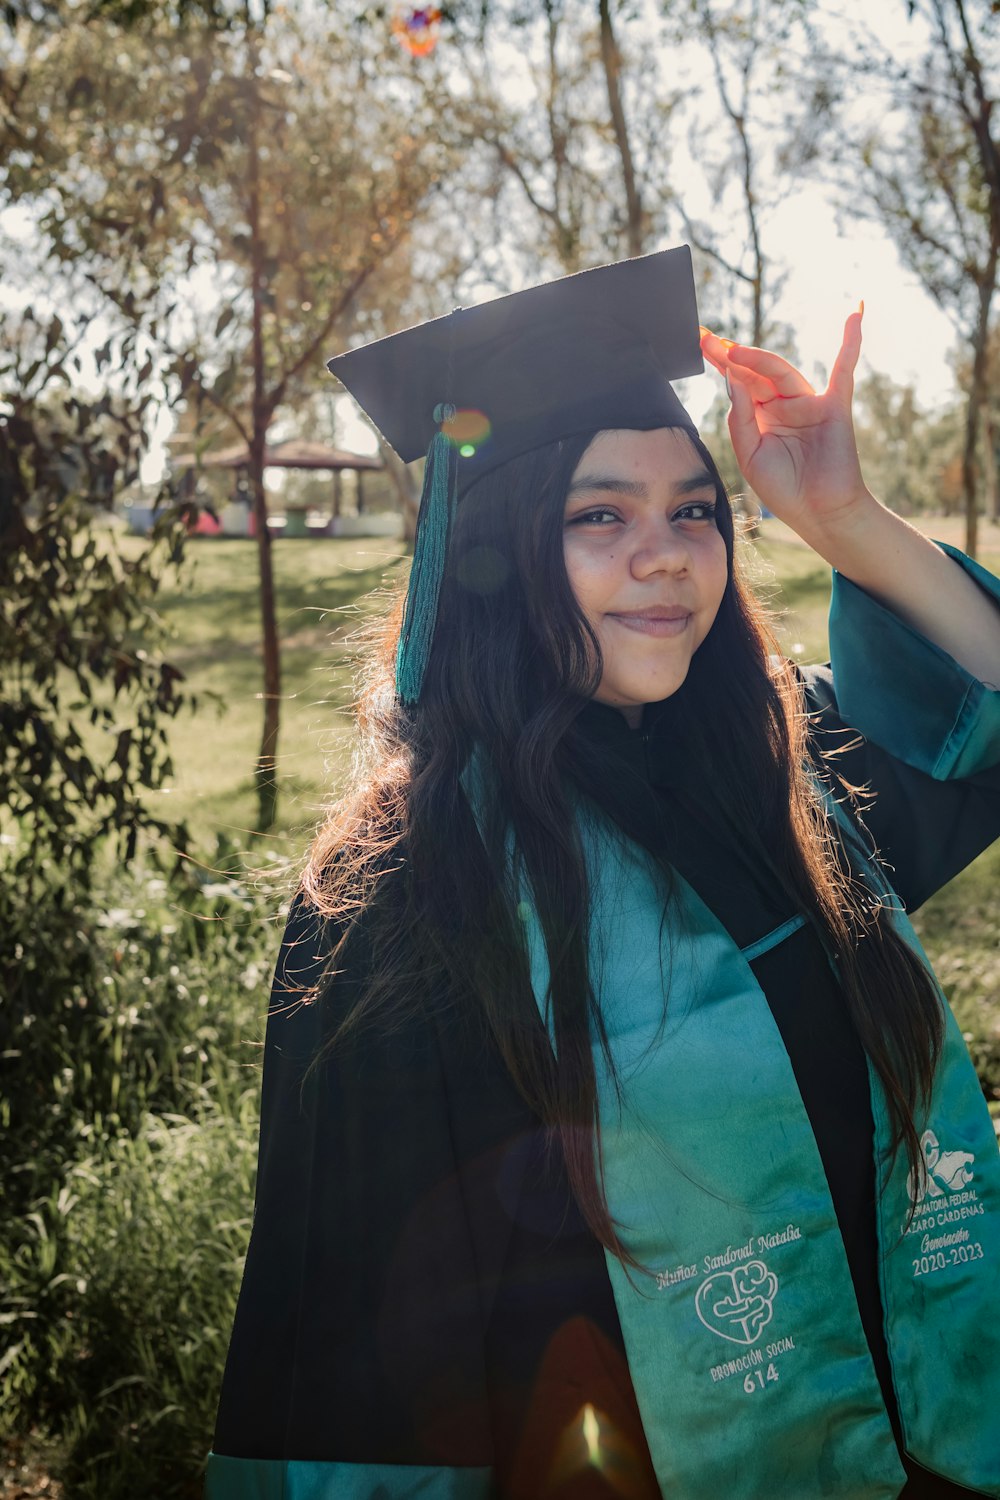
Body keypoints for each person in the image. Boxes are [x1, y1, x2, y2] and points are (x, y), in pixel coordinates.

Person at [205, 249, 1000, 1500]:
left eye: (694, 509)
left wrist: (845, 521)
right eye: (599, 514)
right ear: (498, 546)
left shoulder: (782, 776)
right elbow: (357, 1349)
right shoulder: (401, 896)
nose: (666, 555)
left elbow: (984, 710)